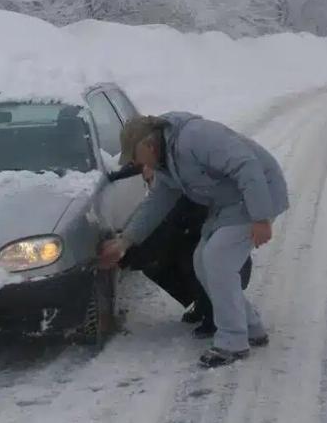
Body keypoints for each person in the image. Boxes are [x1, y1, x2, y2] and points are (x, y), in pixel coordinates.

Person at [99, 113, 289, 368]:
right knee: (202, 261)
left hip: (258, 193)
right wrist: (125, 241)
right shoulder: (166, 164)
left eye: (134, 155)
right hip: (229, 204)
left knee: (218, 259)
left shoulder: (195, 138)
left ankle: (232, 341)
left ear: (149, 145)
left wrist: (261, 217)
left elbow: (246, 165)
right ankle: (251, 326)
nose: (134, 163)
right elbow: (156, 203)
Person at [107, 162, 252, 338]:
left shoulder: (180, 197)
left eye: (151, 178)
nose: (148, 182)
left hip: (223, 259)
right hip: (197, 240)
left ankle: (214, 315)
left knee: (188, 261)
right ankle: (202, 303)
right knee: (171, 259)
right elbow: (137, 165)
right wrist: (111, 176)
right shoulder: (165, 169)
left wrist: (122, 256)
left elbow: (158, 236)